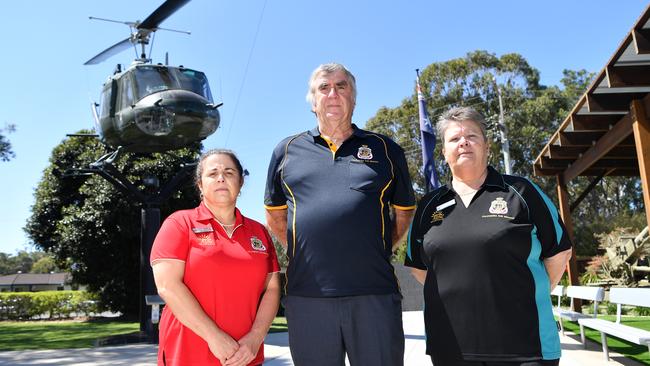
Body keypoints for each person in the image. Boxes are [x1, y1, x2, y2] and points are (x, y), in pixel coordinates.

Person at [264, 63, 416, 366]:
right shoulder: (286, 150)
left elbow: (404, 213)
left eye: (342, 86)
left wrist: (380, 248)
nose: (333, 93)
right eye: (324, 87)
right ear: (312, 99)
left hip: (374, 294)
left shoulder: (385, 149)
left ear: (354, 98)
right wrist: (306, 250)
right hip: (309, 296)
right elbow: (275, 217)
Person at [405, 106, 573, 366]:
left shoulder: (522, 192)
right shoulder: (428, 206)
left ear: (486, 145)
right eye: (454, 139)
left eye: (472, 136)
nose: (463, 143)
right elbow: (419, 268)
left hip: (524, 348)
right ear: (444, 152)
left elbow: (559, 253)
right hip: (450, 349)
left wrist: (524, 293)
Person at [151, 149, 280, 366]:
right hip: (187, 354)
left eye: (229, 172)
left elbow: (273, 288)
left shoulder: (259, 232)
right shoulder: (179, 223)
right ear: (200, 185)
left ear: (240, 183)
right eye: (213, 173)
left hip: (245, 355)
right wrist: (214, 336)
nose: (221, 177)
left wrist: (255, 339)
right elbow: (167, 285)